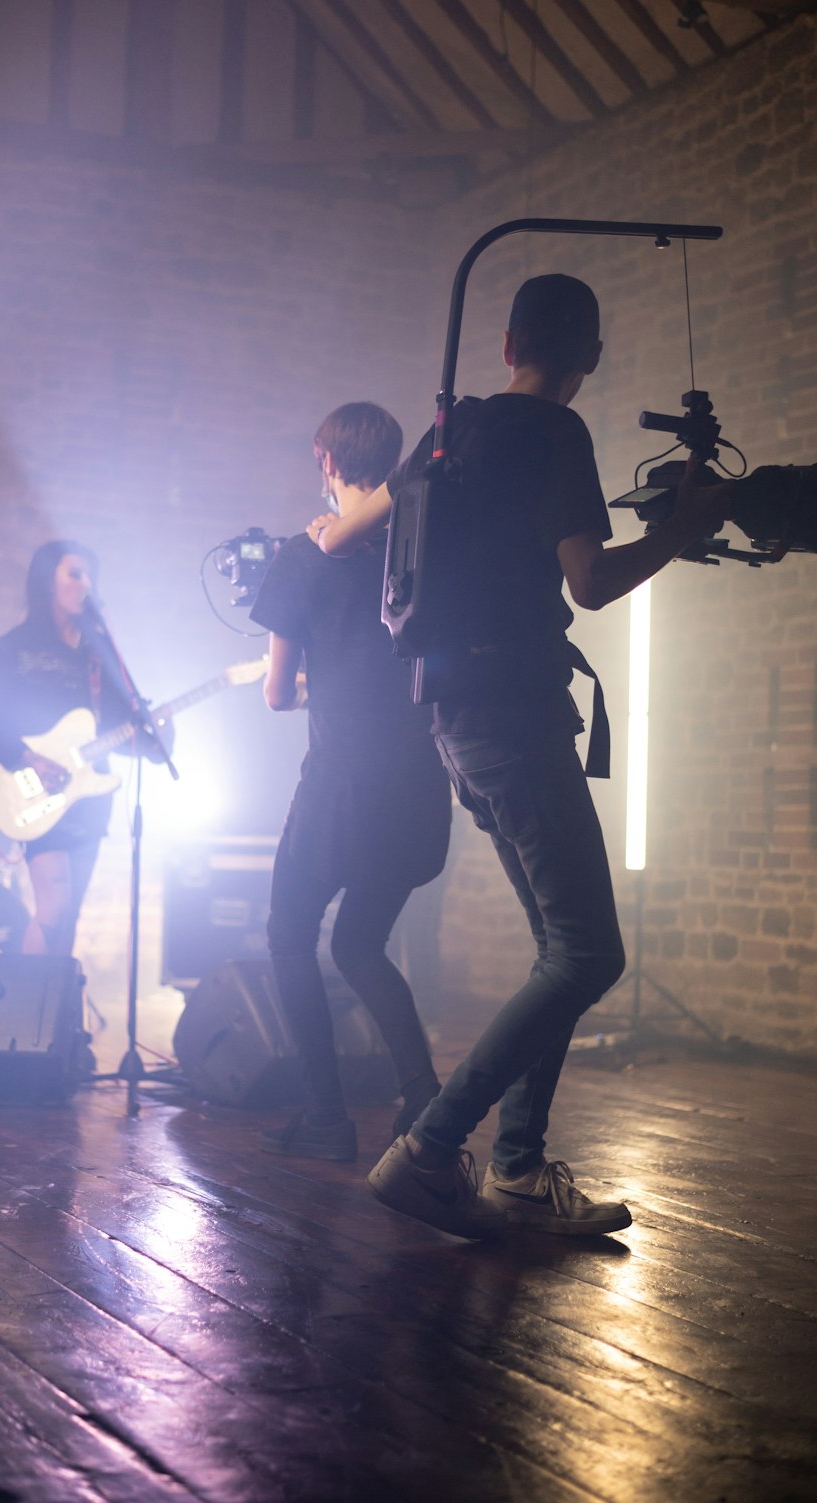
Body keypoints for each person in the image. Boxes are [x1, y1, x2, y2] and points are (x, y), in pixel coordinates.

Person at [308, 275, 731, 1235]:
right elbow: (591, 581)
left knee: (560, 946)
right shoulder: (557, 435)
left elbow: (345, 534)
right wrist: (683, 526)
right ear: (590, 358)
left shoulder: (449, 434)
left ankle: (519, 1169)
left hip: (456, 721)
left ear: (505, 346)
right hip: (517, 716)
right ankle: (429, 1147)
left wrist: (326, 524)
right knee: (590, 951)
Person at [249, 402, 452, 1161]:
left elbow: (275, 693)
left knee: (288, 934)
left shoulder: (303, 557)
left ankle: (329, 1116)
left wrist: (310, 687)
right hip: (417, 781)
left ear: (325, 460)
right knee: (362, 942)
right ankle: (424, 1098)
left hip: (339, 787)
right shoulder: (420, 544)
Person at [0, 540, 173, 957]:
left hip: (88, 800)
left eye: (89, 575)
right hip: (36, 790)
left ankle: (53, 1017)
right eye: (74, 574)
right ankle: (24, 1018)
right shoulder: (15, 646)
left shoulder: (99, 655)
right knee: (53, 912)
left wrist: (157, 736)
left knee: (69, 918)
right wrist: (31, 759)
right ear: (46, 582)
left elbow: (122, 731)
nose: (86, 584)